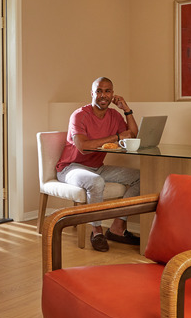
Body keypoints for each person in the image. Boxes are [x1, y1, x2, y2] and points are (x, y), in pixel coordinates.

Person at [56, 77, 141, 251]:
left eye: (107, 91)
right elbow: (83, 147)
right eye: (99, 91)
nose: (103, 95)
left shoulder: (114, 115)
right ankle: (96, 231)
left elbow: (132, 134)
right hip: (71, 167)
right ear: (92, 93)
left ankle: (117, 226)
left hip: (97, 168)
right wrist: (116, 137)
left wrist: (126, 109)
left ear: (112, 94)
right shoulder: (79, 115)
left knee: (140, 177)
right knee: (96, 182)